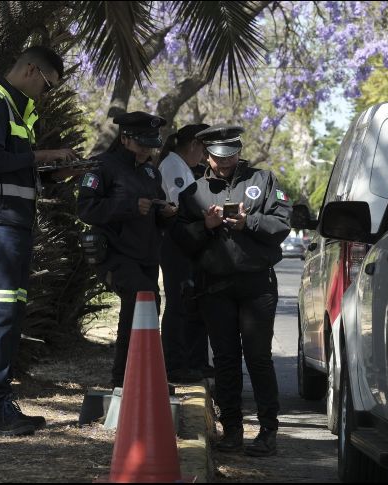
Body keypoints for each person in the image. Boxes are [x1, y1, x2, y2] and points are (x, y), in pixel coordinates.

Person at [171, 124, 292, 457]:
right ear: (207, 155)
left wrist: (247, 223)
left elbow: (282, 224)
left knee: (258, 358)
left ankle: (268, 431)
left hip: (256, 285)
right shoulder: (193, 192)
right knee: (225, 360)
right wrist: (204, 226)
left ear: (239, 151)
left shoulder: (263, 181)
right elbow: (180, 240)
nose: (223, 164)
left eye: (230, 156)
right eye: (216, 158)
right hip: (215, 289)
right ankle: (232, 430)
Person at [0, 46, 81, 436]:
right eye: (48, 85)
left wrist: (55, 172)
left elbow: (17, 169)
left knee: (8, 316)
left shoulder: (17, 110)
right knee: (0, 315)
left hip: (15, 226)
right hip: (0, 227)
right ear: (30, 70)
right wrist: (42, 154)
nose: (47, 93)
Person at [77, 111, 178, 388]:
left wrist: (166, 213)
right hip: (114, 254)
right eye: (141, 142)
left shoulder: (150, 172)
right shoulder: (102, 166)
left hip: (145, 255)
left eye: (150, 143)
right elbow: (86, 209)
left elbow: (154, 212)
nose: (147, 149)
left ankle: (141, 376)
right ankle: (123, 380)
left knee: (147, 306)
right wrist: (129, 208)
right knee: (140, 300)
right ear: (124, 139)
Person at [157, 123, 212, 384]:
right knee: (178, 305)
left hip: (187, 241)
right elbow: (182, 205)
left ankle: (194, 361)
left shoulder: (181, 165)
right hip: (175, 241)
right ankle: (175, 364)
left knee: (190, 304)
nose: (204, 157)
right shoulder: (173, 165)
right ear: (194, 145)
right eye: (204, 150)